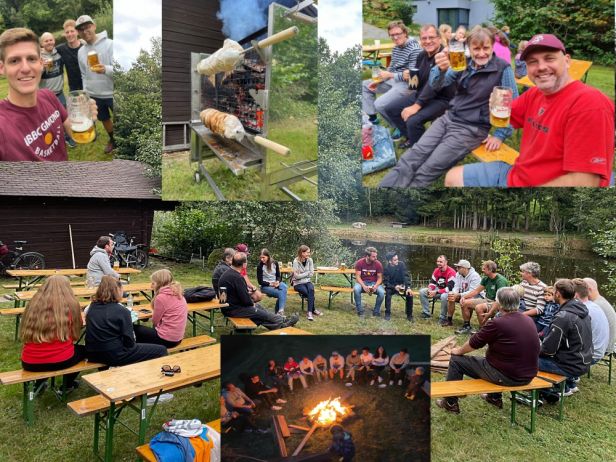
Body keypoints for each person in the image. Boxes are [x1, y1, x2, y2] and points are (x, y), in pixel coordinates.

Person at [446, 33, 615, 187]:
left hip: (543, 187)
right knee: (453, 177)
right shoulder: (536, 94)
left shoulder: (590, 105)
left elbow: (585, 181)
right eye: (533, 62)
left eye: (549, 58)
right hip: (517, 173)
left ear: (567, 60)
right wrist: (489, 108)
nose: (541, 67)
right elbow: (505, 117)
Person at [379, 27, 518, 188]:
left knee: (428, 168)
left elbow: (514, 103)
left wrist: (500, 134)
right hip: (448, 118)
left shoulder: (502, 68)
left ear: (492, 46)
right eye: (476, 48)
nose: (481, 53)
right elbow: (437, 84)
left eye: (485, 48)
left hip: (471, 129)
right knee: (412, 156)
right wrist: (439, 68)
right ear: (468, 48)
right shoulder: (463, 63)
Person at [436, 287, 540, 414]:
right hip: (528, 375)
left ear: (500, 304)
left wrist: (458, 351)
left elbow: (474, 343)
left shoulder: (498, 323)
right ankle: (494, 398)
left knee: (457, 360)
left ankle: (450, 402)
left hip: (508, 377)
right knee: (497, 359)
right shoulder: (528, 320)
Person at [0, 28, 71, 161]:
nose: (26, 68)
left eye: (31, 59)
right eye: (14, 61)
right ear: (2, 68)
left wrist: (85, 118)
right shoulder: (3, 124)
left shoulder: (49, 96)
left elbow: (72, 129)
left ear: (40, 63)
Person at [381, 24, 455, 150]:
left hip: (441, 99)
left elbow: (433, 86)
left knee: (413, 120)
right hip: (422, 94)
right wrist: (411, 83)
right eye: (424, 38)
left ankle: (421, 150)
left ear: (439, 38)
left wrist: (416, 105)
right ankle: (412, 138)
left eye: (431, 37)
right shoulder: (421, 55)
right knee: (390, 108)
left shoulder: (445, 56)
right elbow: (418, 78)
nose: (427, 41)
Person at [20, 275, 85, 393]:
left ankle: (38, 385)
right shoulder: (71, 307)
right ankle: (67, 385)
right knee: (84, 351)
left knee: (47, 353)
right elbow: (75, 334)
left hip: (29, 361)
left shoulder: (33, 306)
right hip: (61, 360)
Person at [85, 275, 168, 366]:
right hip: (114, 354)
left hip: (92, 353)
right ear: (118, 290)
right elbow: (130, 342)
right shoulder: (122, 311)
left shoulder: (91, 307)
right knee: (161, 350)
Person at [538, 279, 592, 395]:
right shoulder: (581, 309)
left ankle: (549, 391)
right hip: (584, 360)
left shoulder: (564, 317)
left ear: (557, 294)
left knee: (526, 359)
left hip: (570, 365)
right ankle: (567, 385)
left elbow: (548, 350)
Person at [218, 252, 299, 330]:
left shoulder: (225, 274)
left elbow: (224, 297)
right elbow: (246, 300)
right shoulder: (238, 278)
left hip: (226, 307)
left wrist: (246, 296)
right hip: (233, 310)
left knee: (259, 309)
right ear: (244, 265)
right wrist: (251, 302)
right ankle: (283, 321)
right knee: (260, 313)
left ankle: (279, 324)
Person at [362, 20, 420, 125]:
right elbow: (391, 68)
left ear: (405, 33)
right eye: (392, 35)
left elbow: (413, 77)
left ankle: (399, 125)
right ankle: (372, 118)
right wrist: (380, 79)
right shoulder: (396, 48)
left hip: (406, 85)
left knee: (379, 104)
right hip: (392, 80)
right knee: (365, 85)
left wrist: (390, 75)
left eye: (398, 34)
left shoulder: (414, 49)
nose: (395, 37)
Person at [76, 14, 115, 154]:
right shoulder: (81, 52)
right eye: (81, 29)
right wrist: (86, 93)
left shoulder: (110, 44)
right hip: (95, 94)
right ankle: (112, 140)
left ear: (94, 26)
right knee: (104, 119)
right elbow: (84, 75)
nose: (85, 31)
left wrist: (105, 69)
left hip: (112, 92)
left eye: (87, 27)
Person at [133, 269, 187, 348]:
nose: (151, 286)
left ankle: (135, 353)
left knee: (133, 329)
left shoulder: (161, 298)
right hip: (178, 338)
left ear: (160, 283)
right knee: (140, 332)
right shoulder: (178, 293)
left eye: (153, 283)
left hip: (167, 340)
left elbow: (155, 322)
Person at [456, 260, 509, 334]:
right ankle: (466, 326)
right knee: (465, 303)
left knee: (479, 307)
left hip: (499, 303)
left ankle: (483, 331)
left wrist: (490, 313)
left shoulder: (500, 281)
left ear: (490, 270)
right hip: (487, 300)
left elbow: (499, 300)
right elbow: (476, 291)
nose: (482, 270)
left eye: (484, 269)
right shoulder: (486, 278)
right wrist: (464, 297)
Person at [572, 278, 609, 363]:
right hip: (599, 351)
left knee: (538, 359)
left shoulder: (583, 310)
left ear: (575, 295)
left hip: (591, 355)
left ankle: (572, 375)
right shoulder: (593, 305)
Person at [442, 259, 482, 326]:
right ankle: (449, 320)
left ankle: (466, 324)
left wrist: (459, 295)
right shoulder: (458, 274)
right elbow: (456, 286)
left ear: (465, 268)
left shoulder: (475, 276)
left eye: (458, 267)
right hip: (463, 294)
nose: (456, 269)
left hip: (476, 296)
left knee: (467, 300)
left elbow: (473, 292)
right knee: (451, 297)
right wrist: (454, 293)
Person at [584, 277, 616, 354]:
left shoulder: (596, 306)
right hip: (607, 344)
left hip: (604, 347)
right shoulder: (600, 301)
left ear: (589, 290)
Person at [418, 255, 456, 319]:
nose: (438, 263)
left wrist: (436, 292)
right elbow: (432, 283)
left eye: (441, 262)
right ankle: (426, 313)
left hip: (448, 292)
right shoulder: (436, 270)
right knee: (422, 291)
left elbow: (449, 288)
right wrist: (430, 289)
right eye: (437, 261)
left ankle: (443, 317)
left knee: (444, 296)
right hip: (438, 290)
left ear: (446, 262)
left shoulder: (451, 272)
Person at [292, 245, 322, 321]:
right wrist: (307, 273)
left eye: (309, 252)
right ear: (302, 253)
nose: (309, 254)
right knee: (309, 294)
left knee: (311, 290)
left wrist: (303, 274)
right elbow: (296, 277)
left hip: (307, 281)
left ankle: (309, 313)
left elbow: (312, 274)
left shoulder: (310, 260)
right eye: (307, 252)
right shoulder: (296, 261)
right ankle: (314, 310)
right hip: (298, 283)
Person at [353, 246, 385, 317]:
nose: (376, 258)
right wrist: (363, 286)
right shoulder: (360, 263)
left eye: (376, 256)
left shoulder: (378, 264)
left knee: (382, 292)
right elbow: (358, 276)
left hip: (374, 283)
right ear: (367, 256)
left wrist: (376, 286)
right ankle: (360, 311)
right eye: (373, 256)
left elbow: (380, 278)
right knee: (356, 289)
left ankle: (376, 311)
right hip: (362, 282)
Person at [383, 251, 414, 321]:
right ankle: (387, 314)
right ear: (390, 261)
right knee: (388, 293)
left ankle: (409, 315)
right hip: (392, 287)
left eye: (397, 259)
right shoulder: (386, 268)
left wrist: (408, 287)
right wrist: (394, 287)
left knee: (409, 294)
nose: (397, 261)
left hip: (402, 286)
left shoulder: (401, 264)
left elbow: (406, 276)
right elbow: (386, 282)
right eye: (395, 260)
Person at [256, 248, 288, 316]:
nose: (262, 259)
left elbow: (278, 276)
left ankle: (279, 312)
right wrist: (271, 284)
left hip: (275, 283)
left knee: (284, 286)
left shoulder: (275, 263)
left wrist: (277, 282)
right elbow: (260, 281)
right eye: (260, 258)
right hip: (265, 286)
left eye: (263, 257)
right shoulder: (260, 266)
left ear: (268, 256)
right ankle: (280, 312)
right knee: (282, 292)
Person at [56, 20, 84, 92]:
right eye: (67, 32)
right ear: (64, 34)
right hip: (73, 88)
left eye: (72, 31)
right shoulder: (61, 49)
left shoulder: (85, 46)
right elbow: (49, 49)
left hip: (87, 85)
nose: (70, 34)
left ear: (77, 32)